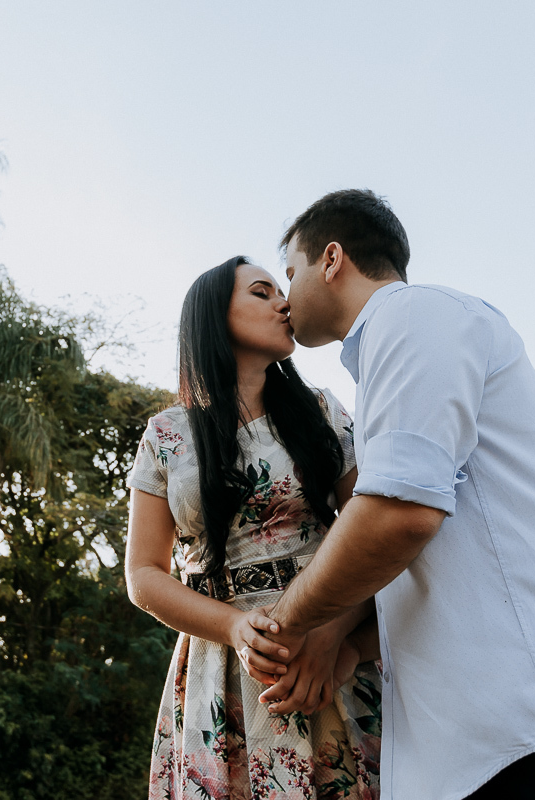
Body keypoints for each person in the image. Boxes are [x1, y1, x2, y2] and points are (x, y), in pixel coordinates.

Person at [247, 189, 535, 799]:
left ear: (332, 260)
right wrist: (349, 643)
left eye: (289, 273)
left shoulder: (411, 315)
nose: (284, 295)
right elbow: (444, 559)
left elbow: (398, 516)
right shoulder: (401, 346)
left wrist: (285, 623)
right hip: (500, 753)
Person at [125, 256, 383, 800]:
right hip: (219, 665)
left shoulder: (320, 412)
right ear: (214, 316)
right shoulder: (166, 434)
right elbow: (144, 576)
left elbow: (376, 534)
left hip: (323, 657)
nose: (284, 303)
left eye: (279, 291)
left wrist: (334, 635)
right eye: (262, 293)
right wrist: (232, 628)